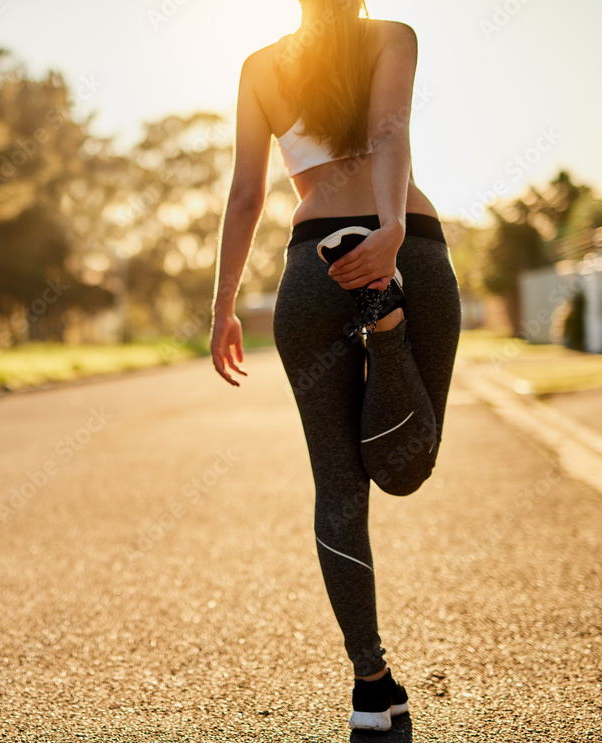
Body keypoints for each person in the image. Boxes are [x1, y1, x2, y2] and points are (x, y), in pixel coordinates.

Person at [209, 0, 462, 732]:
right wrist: (387, 233)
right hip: (406, 246)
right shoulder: (394, 37)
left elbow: (246, 193)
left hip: (312, 265)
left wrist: (224, 306)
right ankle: (385, 324)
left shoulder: (260, 67)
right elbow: (390, 133)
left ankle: (369, 683)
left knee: (338, 489)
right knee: (406, 466)